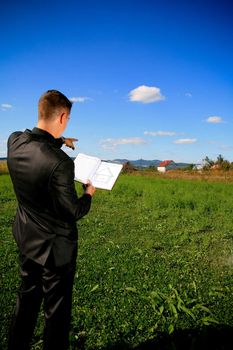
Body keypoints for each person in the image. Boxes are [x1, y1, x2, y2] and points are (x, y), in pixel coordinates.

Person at [7, 90, 96, 350]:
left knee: (26, 301)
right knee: (56, 314)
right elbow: (73, 211)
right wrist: (88, 194)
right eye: (67, 120)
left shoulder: (14, 141)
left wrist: (60, 140)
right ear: (63, 116)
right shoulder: (61, 164)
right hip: (55, 252)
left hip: (27, 240)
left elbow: (38, 142)